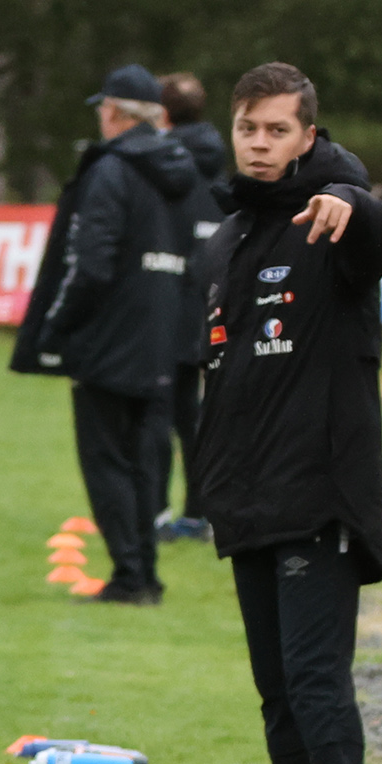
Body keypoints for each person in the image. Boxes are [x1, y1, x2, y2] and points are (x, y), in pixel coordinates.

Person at [193, 62, 382, 764]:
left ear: (309, 136)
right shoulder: (231, 237)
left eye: (279, 130)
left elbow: (376, 232)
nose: (261, 143)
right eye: (249, 129)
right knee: (276, 690)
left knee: (318, 685)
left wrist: (353, 205)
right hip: (248, 499)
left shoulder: (332, 219)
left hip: (318, 495)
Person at [10, 64, 199, 605]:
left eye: (102, 108)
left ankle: (130, 577)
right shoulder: (179, 171)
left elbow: (89, 264)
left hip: (111, 337)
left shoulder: (111, 171)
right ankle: (145, 574)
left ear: (114, 112)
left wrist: (57, 326)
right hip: (162, 334)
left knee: (107, 460)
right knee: (143, 458)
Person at [154, 71, 228, 544]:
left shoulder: (161, 167)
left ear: (162, 114)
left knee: (157, 415)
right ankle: (200, 513)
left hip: (165, 305)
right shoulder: (220, 167)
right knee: (195, 414)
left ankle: (157, 514)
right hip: (210, 304)